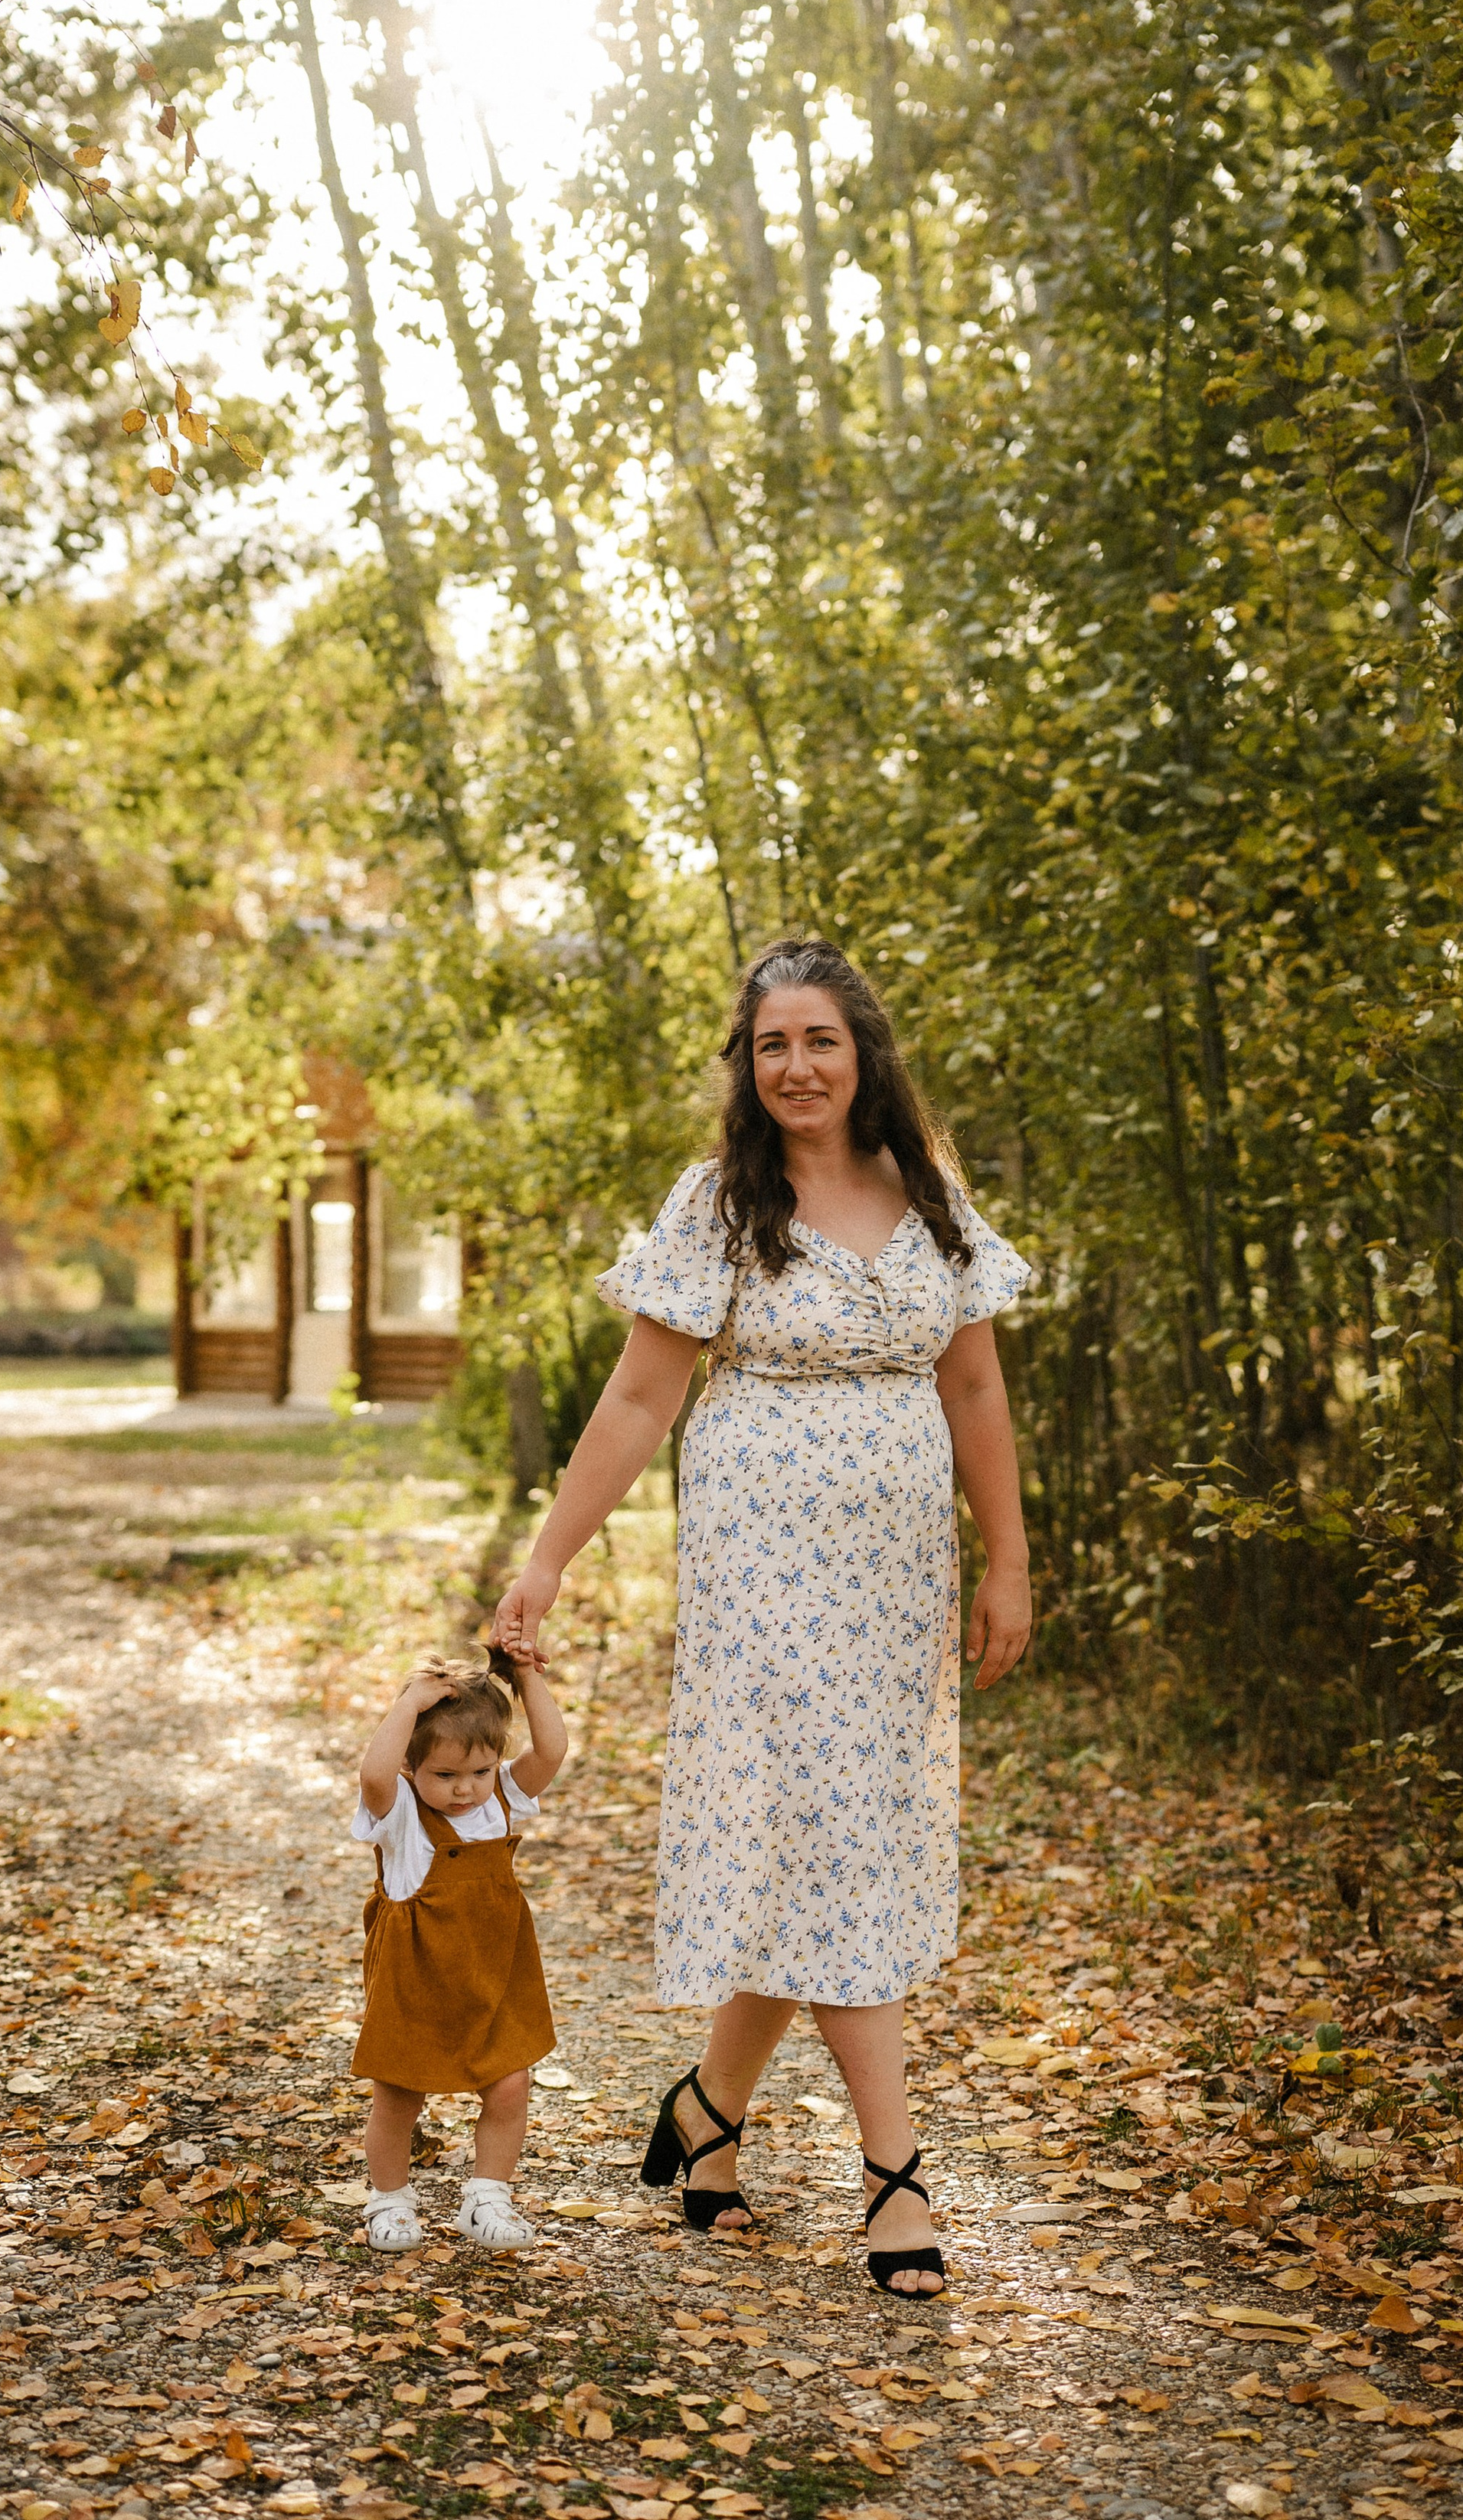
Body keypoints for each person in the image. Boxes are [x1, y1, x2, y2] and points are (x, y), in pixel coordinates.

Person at [491, 937, 1033, 2297]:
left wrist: (1009, 1558)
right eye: (773, 1044)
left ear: (863, 1055)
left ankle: (706, 2111)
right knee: (835, 1832)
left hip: (897, 1575)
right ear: (748, 1064)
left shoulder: (929, 1192)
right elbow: (639, 1396)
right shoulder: (721, 1201)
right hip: (763, 1563)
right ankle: (894, 2176)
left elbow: (974, 1387)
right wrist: (549, 1561)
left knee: (829, 1838)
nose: (797, 1066)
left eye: (820, 1041)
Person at [350, 1649, 569, 2253]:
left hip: (493, 1975)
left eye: (479, 1771)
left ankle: (487, 2199)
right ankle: (389, 2201)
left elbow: (552, 1750)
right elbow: (373, 1776)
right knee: (400, 2096)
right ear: (411, 1765)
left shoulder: (501, 1798)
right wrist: (410, 1705)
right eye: (444, 1775)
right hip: (415, 1980)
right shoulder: (400, 1813)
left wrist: (526, 1677)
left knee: (510, 2086)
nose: (464, 1789)